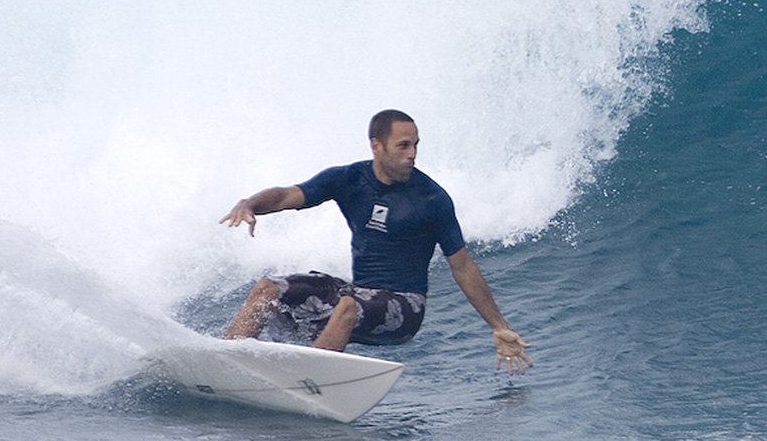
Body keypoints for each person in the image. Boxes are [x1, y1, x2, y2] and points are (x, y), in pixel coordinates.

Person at [219, 109, 532, 374]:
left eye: (415, 146)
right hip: (358, 293)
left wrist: (498, 325)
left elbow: (462, 266)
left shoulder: (431, 199)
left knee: (346, 306)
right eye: (403, 146)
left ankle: (308, 382)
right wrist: (250, 203)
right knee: (267, 290)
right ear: (377, 146)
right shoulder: (349, 179)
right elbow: (289, 195)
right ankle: (227, 365)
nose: (412, 154)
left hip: (405, 306)